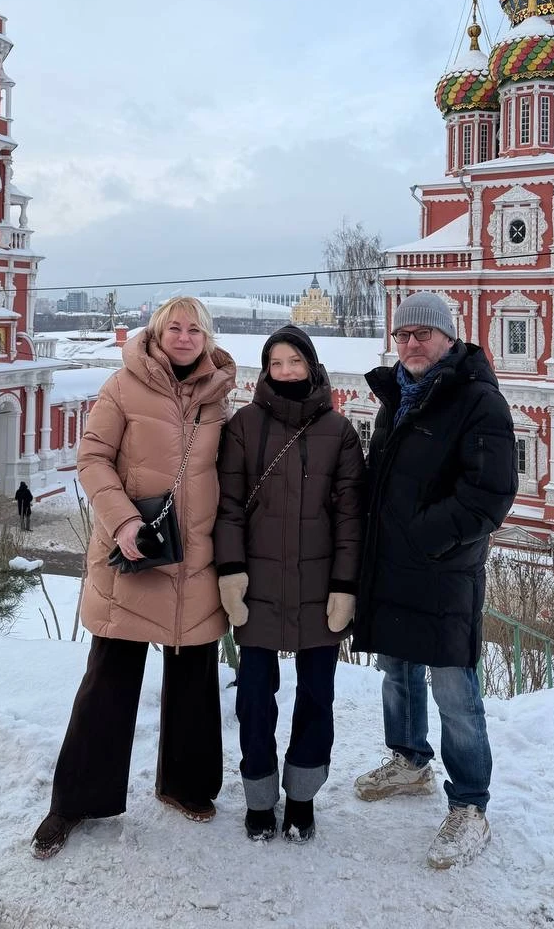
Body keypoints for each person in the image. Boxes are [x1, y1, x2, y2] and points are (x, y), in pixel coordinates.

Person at [30, 297, 236, 859]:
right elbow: (91, 457)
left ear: (208, 338)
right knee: (110, 681)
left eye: (196, 329)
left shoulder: (220, 396)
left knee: (194, 677)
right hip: (135, 553)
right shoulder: (122, 387)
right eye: (175, 327)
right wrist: (123, 522)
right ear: (157, 332)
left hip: (195, 559)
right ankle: (74, 801)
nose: (185, 337)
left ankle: (186, 786)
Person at [351, 291, 516, 870]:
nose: (412, 343)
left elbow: (489, 496)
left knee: (454, 689)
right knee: (397, 672)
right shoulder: (394, 397)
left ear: (448, 338)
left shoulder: (478, 402)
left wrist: (423, 537)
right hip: (390, 566)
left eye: (423, 333)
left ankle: (470, 804)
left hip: (443, 571)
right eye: (402, 335)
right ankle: (409, 761)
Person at [215, 325, 365, 844]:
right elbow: (228, 508)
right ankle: (260, 798)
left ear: (311, 365)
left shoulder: (339, 433)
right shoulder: (243, 427)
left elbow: (350, 517)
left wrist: (346, 583)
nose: (285, 372)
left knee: (316, 696)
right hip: (256, 584)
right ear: (266, 370)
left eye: (294, 362)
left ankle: (302, 796)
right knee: (255, 696)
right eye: (275, 363)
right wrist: (230, 572)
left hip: (320, 585)